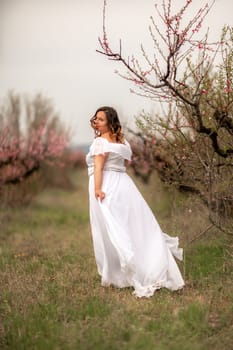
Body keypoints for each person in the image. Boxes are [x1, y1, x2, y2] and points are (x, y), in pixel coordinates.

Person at [86, 106, 185, 298]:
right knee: (134, 226)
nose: (97, 122)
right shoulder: (121, 141)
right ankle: (145, 266)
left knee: (109, 230)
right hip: (124, 186)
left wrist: (98, 189)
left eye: (101, 119)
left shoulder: (100, 142)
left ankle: (118, 274)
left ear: (110, 122)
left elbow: (98, 167)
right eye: (96, 118)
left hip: (105, 186)